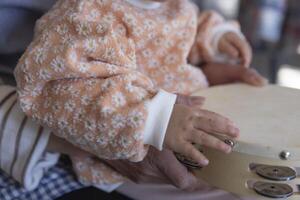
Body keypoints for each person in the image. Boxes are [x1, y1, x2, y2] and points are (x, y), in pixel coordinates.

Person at [13, 0, 267, 196]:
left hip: (190, 131)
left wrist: (215, 37)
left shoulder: (170, 5)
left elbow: (184, 29)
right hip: (132, 156)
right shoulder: (88, 12)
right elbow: (66, 88)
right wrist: (153, 118)